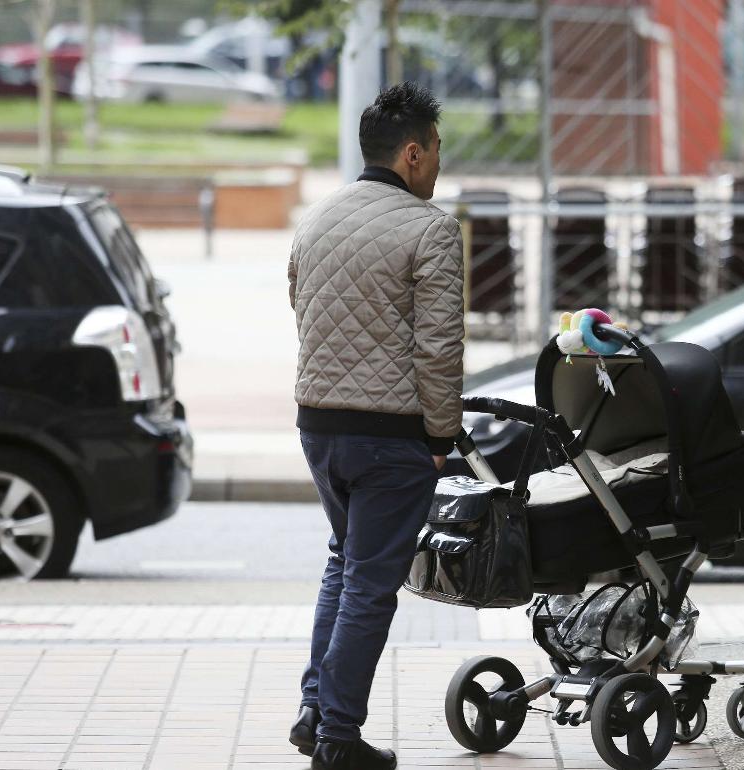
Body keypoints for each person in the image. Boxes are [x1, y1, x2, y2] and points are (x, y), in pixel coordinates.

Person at [285, 82, 464, 770]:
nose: (439, 165)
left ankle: (314, 709)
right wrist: (442, 438)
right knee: (370, 583)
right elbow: (438, 345)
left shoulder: (319, 218)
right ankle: (336, 736)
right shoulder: (430, 228)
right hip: (391, 434)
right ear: (412, 153)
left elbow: (301, 308)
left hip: (319, 425)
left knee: (345, 563)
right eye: (438, 150)